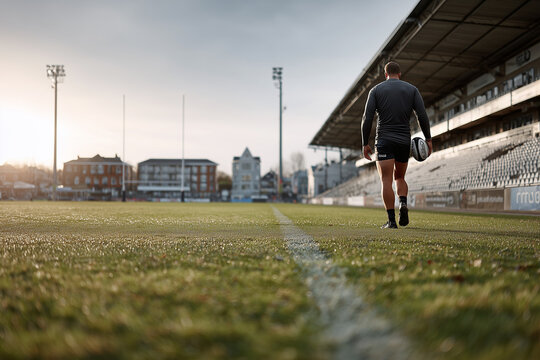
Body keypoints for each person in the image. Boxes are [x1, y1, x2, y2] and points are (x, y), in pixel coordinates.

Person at [361, 61, 432, 229]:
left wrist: (365, 143)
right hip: (403, 140)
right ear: (399, 74)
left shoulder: (376, 90)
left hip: (384, 140)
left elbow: (367, 118)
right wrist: (428, 139)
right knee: (399, 177)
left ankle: (391, 221)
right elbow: (422, 115)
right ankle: (403, 203)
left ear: (385, 75)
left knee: (386, 180)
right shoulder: (412, 89)